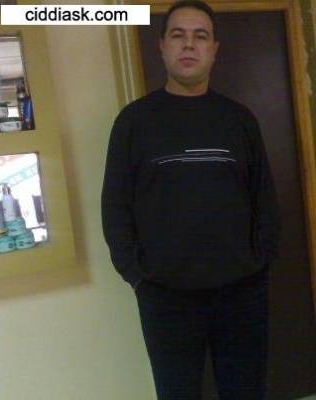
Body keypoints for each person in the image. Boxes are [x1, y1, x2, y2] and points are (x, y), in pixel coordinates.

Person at [101, 1, 281, 398]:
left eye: (200, 36)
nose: (189, 45)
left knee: (246, 392)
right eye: (178, 35)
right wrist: (136, 274)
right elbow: (115, 206)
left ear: (214, 49)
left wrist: (262, 261)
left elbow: (264, 197)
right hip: (165, 296)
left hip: (242, 292)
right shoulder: (133, 122)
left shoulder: (239, 119)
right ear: (162, 46)